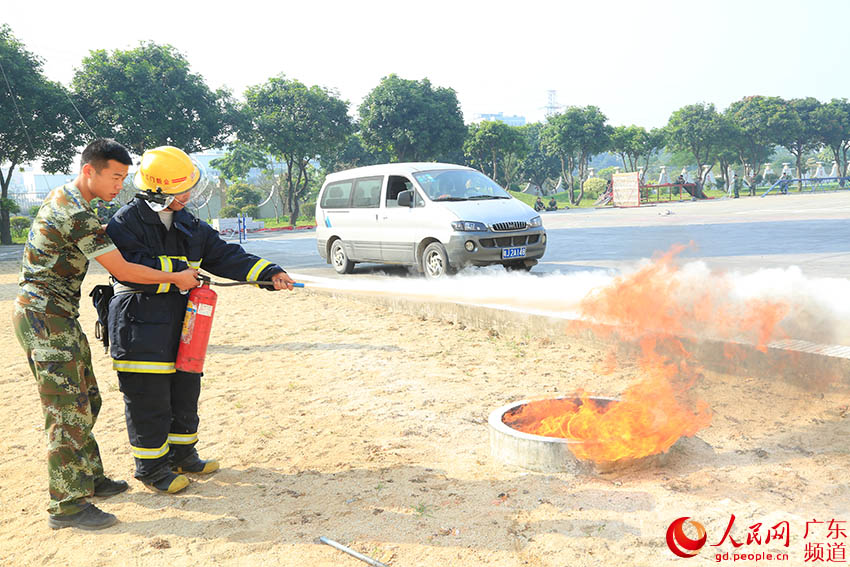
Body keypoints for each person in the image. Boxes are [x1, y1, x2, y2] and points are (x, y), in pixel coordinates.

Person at [13, 138, 200, 530]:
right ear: (89, 171)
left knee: (88, 400)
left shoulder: (71, 201)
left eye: (124, 177)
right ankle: (67, 506)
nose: (120, 185)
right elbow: (124, 271)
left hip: (58, 314)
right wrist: (177, 277)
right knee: (67, 411)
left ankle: (90, 478)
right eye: (114, 177)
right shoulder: (74, 212)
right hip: (44, 317)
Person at [106, 146, 296, 495]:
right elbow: (132, 268)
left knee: (185, 389)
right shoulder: (124, 223)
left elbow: (224, 255)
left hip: (181, 319)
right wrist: (180, 273)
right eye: (181, 191)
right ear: (158, 191)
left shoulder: (188, 222)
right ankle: (152, 469)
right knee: (149, 398)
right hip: (138, 322)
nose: (188, 196)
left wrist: (269, 273)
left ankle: (183, 456)